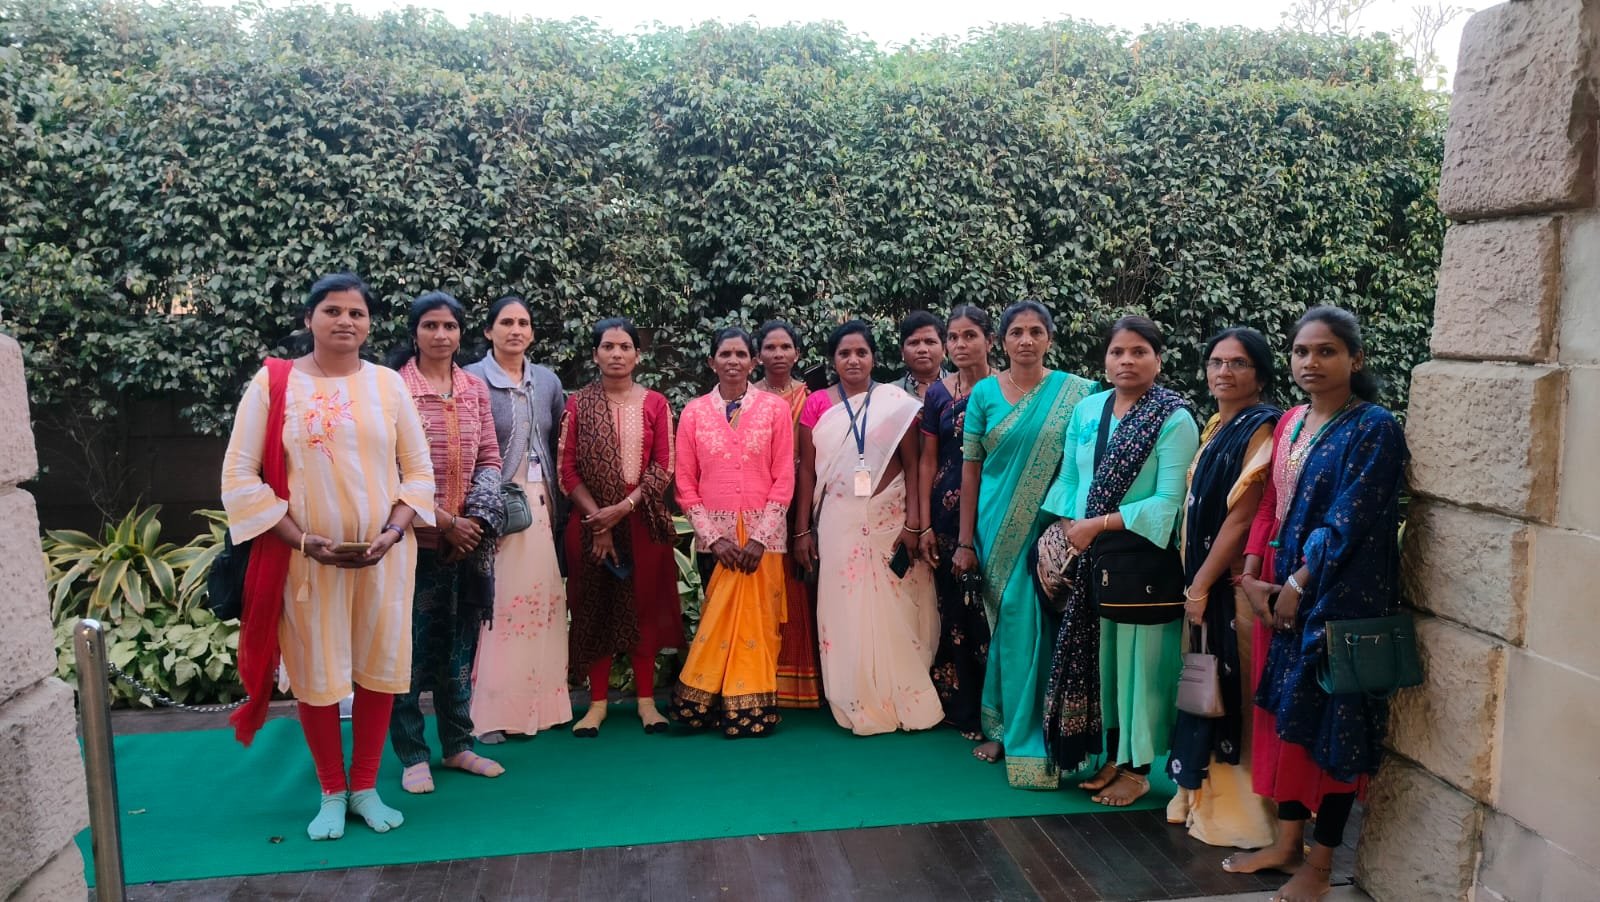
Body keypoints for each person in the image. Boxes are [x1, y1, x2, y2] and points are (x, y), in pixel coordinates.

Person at [220, 273, 435, 840]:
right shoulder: (274, 385)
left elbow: (419, 473)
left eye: (356, 313)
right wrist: (300, 540)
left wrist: (392, 533)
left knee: (380, 669)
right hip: (305, 563)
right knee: (316, 673)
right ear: (309, 319)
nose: (345, 321)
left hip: (385, 561)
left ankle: (365, 787)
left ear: (369, 324)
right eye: (332, 311)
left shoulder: (388, 385)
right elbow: (239, 476)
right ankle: (331, 792)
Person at [1226, 307, 1408, 902]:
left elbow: (1350, 519)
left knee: (1334, 727)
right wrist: (1253, 575)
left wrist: (1299, 584)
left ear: (1355, 359)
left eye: (1326, 351)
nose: (1311, 362)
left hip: (1338, 597)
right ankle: (1287, 845)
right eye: (1302, 351)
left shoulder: (1374, 427)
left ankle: (1323, 867)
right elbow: (1270, 505)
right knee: (1289, 719)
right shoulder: (1291, 421)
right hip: (1282, 590)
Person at [1040, 315, 1200, 807]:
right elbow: (1069, 478)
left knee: (1140, 665)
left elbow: (1169, 502)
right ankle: (1114, 754)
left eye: (1139, 352)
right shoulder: (1089, 409)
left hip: (1142, 559)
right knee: (1105, 662)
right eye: (1117, 352)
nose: (1126, 361)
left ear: (1159, 359)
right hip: (1091, 554)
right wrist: (1071, 527)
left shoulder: (1174, 418)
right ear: (1105, 360)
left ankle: (1138, 769)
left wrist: (1098, 524)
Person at [952, 301, 1096, 788]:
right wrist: (965, 540)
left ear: (1049, 339)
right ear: (1002, 341)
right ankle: (1004, 727)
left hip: (1053, 527)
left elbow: (1087, 463)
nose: (1027, 340)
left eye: (1036, 331)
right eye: (1017, 332)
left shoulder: (1079, 393)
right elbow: (972, 470)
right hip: (996, 526)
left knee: (1037, 625)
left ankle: (1038, 728)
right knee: (1010, 623)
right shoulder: (984, 393)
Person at [793, 320, 941, 735]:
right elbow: (806, 471)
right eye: (844, 353)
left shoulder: (896, 403)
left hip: (889, 517)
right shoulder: (817, 404)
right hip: (838, 519)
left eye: (861, 352)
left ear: (874, 357)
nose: (853, 360)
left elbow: (913, 464)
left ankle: (900, 694)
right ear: (833, 360)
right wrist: (801, 530)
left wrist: (914, 523)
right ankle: (855, 695)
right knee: (844, 607)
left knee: (897, 602)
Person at [1165, 327, 1282, 847]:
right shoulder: (1217, 425)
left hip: (1231, 590)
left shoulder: (1263, 427)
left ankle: (1243, 817)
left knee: (1234, 693)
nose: (1224, 372)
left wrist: (1200, 586)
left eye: (1238, 363)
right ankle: (1197, 797)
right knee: (1205, 688)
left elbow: (1242, 518)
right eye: (1216, 362)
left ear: (1260, 374)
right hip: (1205, 584)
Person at [387, 292, 507, 794]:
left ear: (461, 334)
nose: (441, 335)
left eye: (450, 326)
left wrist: (473, 521)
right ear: (414, 332)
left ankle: (458, 745)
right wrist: (443, 522)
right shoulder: (394, 388)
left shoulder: (474, 387)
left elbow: (490, 458)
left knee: (460, 649)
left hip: (466, 544)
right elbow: (388, 471)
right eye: (430, 326)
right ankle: (412, 754)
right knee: (408, 653)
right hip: (411, 542)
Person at [670, 327, 796, 736]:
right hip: (717, 542)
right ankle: (703, 705)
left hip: (765, 542)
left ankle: (751, 710)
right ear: (712, 362)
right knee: (716, 621)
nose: (733, 361)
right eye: (725, 354)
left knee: (758, 626)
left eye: (741, 354)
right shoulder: (693, 413)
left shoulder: (775, 410)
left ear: (753, 362)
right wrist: (714, 538)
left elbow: (784, 478)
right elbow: (685, 483)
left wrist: (760, 538)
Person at [558, 317, 679, 736]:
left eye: (625, 347)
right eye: (608, 347)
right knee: (594, 606)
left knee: (643, 605)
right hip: (589, 522)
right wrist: (600, 519)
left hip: (641, 519)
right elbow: (566, 469)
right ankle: (597, 704)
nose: (616, 354)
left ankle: (647, 702)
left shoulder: (655, 403)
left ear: (637, 356)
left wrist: (623, 508)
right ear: (595, 354)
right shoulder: (577, 404)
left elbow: (664, 466)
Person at [464, 296, 573, 743]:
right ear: (488, 331)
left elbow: (558, 437)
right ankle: (492, 713)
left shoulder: (546, 381)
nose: (515, 330)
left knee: (543, 603)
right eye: (506, 322)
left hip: (541, 507)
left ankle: (543, 707)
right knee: (500, 607)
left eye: (523, 323)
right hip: (495, 508)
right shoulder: (471, 378)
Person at [919, 305, 995, 740]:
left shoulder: (1006, 389)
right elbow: (928, 460)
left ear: (989, 340)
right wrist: (924, 524)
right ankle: (960, 705)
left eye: (970, 336)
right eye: (953, 337)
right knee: (954, 607)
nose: (960, 345)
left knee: (993, 607)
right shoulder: (937, 394)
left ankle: (997, 706)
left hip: (995, 507)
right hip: (946, 515)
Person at [750, 320, 823, 708]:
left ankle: (802, 682)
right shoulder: (748, 398)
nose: (778, 354)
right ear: (758, 355)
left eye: (785, 347)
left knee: (799, 587)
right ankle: (760, 676)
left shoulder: (811, 397)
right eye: (770, 347)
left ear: (797, 353)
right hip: (757, 504)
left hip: (802, 503)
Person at [897, 309, 946, 400]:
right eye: (914, 343)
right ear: (902, 351)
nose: (922, 349)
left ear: (944, 349)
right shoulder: (891, 393)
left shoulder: (963, 387)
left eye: (930, 342)